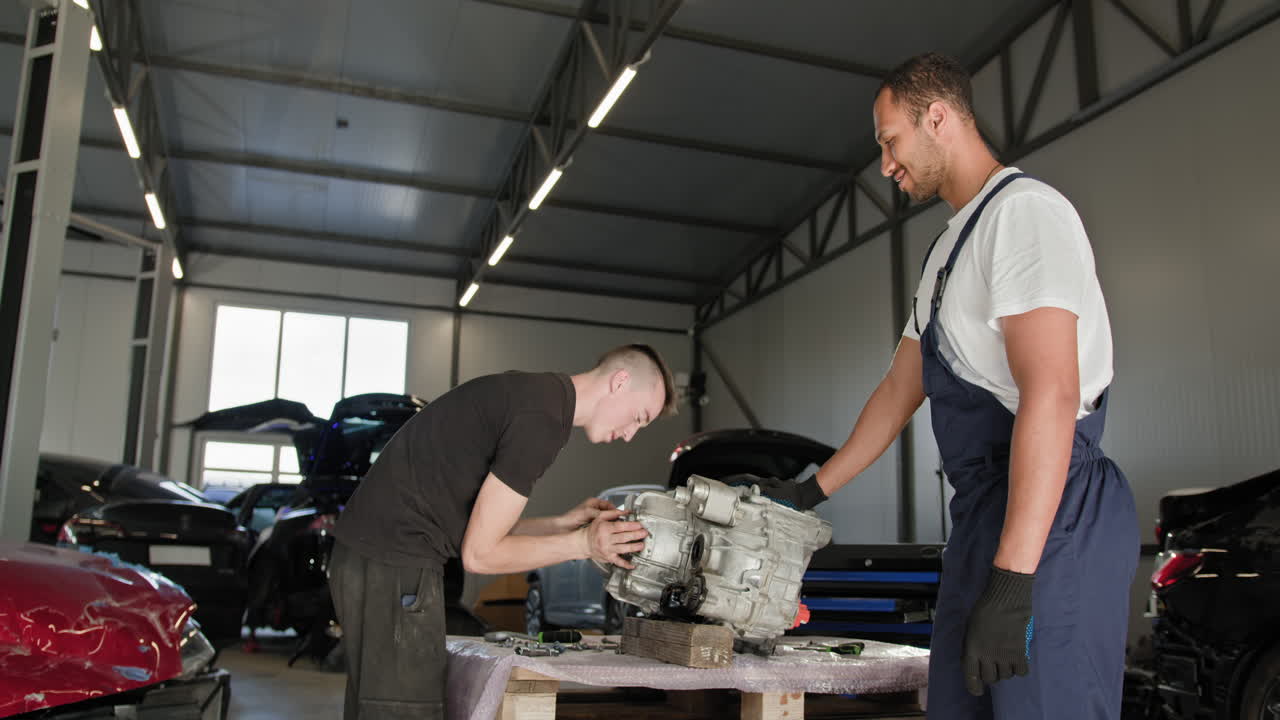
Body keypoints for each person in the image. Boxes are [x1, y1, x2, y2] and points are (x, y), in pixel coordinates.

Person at [756, 53, 1138, 719]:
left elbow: (1050, 394)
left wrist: (1015, 579)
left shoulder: (1023, 215)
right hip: (985, 512)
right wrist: (806, 493)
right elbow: (899, 390)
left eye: (889, 141)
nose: (885, 165)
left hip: (1054, 510)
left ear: (937, 118)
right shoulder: (945, 251)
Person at [328, 344, 677, 719]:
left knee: (379, 706)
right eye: (639, 417)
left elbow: (475, 526)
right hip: (392, 562)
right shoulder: (541, 420)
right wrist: (584, 544)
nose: (630, 434)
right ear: (620, 382)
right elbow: (480, 555)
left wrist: (559, 525)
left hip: (374, 557)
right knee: (404, 710)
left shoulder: (536, 396)